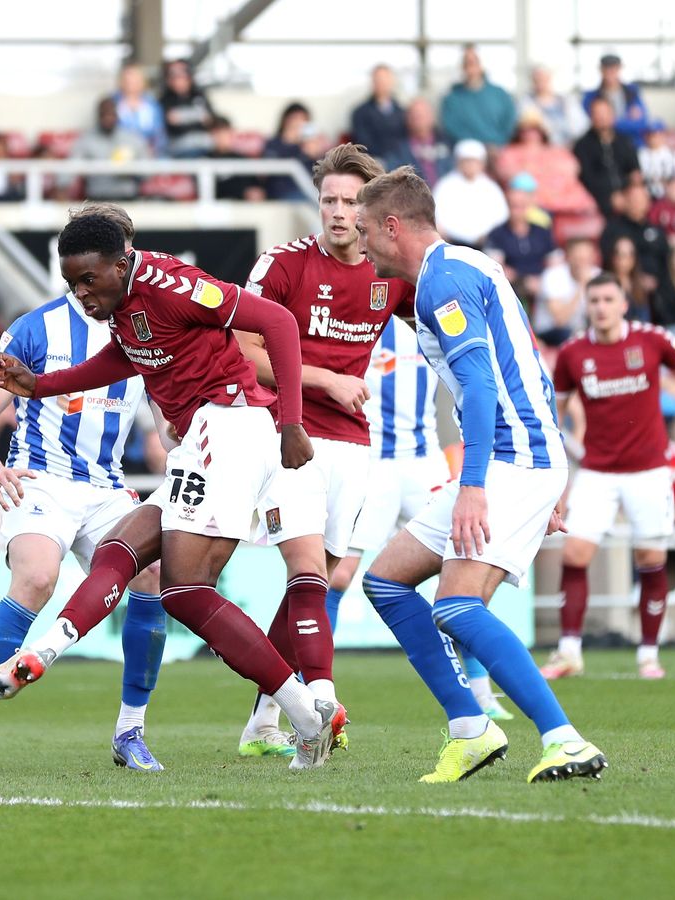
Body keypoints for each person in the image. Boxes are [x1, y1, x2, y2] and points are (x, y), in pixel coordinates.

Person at [0, 213, 342, 770]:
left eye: (89, 281)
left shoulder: (173, 284)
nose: (81, 294)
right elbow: (123, 358)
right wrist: (42, 385)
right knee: (121, 550)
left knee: (186, 590)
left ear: (121, 264)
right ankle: (42, 653)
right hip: (206, 438)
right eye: (71, 283)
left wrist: (292, 419)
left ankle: (303, 710)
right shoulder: (123, 308)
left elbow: (278, 324)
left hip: (231, 425)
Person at [355, 165, 606, 783]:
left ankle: (565, 739)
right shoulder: (469, 264)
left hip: (508, 460)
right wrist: (550, 475)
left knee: (459, 604)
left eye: (365, 231)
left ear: (393, 227)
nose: (361, 245)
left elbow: (479, 383)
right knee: (386, 582)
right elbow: (533, 374)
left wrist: (475, 486)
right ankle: (470, 729)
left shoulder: (442, 283)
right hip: (525, 457)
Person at [0, 202, 170, 777]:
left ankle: (131, 731)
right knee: (38, 577)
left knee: (152, 577)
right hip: (42, 482)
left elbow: (167, 417)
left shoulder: (146, 327)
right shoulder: (36, 328)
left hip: (107, 488)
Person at [233, 144, 411, 757]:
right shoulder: (283, 264)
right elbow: (244, 349)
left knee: (322, 579)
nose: (338, 212)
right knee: (307, 574)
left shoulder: (389, 275)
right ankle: (318, 704)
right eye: (328, 200)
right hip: (289, 435)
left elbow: (440, 323)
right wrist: (322, 381)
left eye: (350, 201)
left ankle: (263, 721)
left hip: (353, 445)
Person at [541, 274, 675, 681]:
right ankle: (569, 652)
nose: (601, 306)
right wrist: (553, 470)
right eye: (595, 299)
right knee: (574, 555)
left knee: (651, 559)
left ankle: (649, 655)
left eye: (608, 299)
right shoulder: (572, 353)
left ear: (624, 303)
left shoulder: (652, 340)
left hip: (649, 471)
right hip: (598, 471)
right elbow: (555, 413)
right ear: (588, 306)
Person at [325, 317, 512, 721]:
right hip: (372, 462)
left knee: (467, 562)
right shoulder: (361, 321)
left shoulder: (428, 322)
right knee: (337, 575)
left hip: (423, 461)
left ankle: (481, 691)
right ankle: (316, 687)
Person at [484, 172, 558, 303]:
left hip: (542, 287)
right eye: (514, 206)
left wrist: (543, 280)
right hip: (511, 290)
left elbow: (556, 262)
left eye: (521, 206)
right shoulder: (497, 234)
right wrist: (523, 280)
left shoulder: (541, 232)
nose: (517, 211)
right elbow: (496, 267)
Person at [62, 96, 150, 202]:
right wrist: (62, 187)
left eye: (111, 114)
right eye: (104, 114)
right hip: (96, 200)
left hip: (127, 198)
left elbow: (147, 171)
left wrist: (128, 169)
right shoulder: (86, 140)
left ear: (117, 114)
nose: (108, 118)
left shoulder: (132, 139)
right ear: (98, 115)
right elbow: (70, 167)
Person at [431, 139, 508, 248]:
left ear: (482, 164)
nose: (470, 165)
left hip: (485, 245)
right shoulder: (445, 185)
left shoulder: (491, 187)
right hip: (451, 244)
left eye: (474, 161)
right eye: (466, 161)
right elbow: (435, 216)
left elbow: (502, 217)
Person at [573, 96, 640, 218]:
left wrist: (630, 192)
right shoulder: (582, 146)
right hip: (600, 199)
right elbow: (587, 179)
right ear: (591, 117)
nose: (602, 117)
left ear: (613, 115)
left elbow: (634, 171)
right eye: (598, 114)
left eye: (605, 113)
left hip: (627, 195)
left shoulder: (625, 141)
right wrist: (610, 195)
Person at [439, 45, 516, 149]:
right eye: (467, 62)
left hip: (497, 150)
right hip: (467, 152)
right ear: (461, 66)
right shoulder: (452, 98)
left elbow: (509, 123)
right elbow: (451, 128)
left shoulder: (500, 94)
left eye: (474, 61)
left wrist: (497, 143)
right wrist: (475, 146)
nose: (471, 66)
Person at [600, 181, 669, 289]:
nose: (637, 203)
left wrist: (658, 281)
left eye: (641, 200)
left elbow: (665, 260)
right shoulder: (613, 229)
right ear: (625, 201)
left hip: (658, 289)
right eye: (633, 200)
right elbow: (608, 261)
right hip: (625, 287)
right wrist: (636, 281)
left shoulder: (656, 229)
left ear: (648, 202)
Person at [533, 236, 598, 346]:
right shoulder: (553, 276)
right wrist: (582, 286)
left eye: (586, 258)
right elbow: (560, 320)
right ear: (568, 257)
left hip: (579, 330)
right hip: (550, 331)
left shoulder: (597, 275)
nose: (582, 263)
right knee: (572, 336)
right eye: (578, 258)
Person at [581, 53, 647, 144]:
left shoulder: (632, 93)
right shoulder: (591, 97)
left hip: (631, 144)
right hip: (602, 145)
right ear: (601, 70)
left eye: (613, 68)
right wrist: (627, 122)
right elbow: (591, 126)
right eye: (606, 68)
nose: (610, 72)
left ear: (619, 69)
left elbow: (641, 124)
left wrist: (609, 122)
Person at [350, 64, 407, 169]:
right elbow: (363, 144)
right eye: (378, 80)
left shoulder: (402, 112)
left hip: (402, 162)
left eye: (385, 79)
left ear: (392, 81)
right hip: (376, 163)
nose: (382, 84)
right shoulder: (360, 113)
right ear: (372, 83)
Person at [262, 102, 322, 201]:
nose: (298, 124)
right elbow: (268, 171)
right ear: (285, 121)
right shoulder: (273, 143)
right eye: (295, 119)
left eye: (303, 120)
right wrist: (288, 143)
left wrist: (316, 155)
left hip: (309, 192)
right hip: (282, 193)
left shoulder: (310, 144)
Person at [519, 65, 588, 147]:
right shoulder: (525, 103)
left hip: (569, 148)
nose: (541, 82)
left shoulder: (567, 101)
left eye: (544, 78)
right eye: (537, 79)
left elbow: (582, 126)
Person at [158, 59, 212, 158]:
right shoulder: (164, 100)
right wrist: (196, 117)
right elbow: (171, 124)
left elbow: (209, 119)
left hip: (204, 148)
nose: (178, 78)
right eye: (173, 74)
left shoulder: (199, 96)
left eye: (183, 73)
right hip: (178, 152)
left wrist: (181, 118)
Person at [205, 115, 266, 201]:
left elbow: (256, 187)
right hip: (217, 208)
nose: (221, 137)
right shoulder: (205, 161)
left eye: (224, 132)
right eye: (216, 133)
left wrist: (254, 193)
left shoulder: (242, 160)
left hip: (242, 208)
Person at [394, 97, 452, 186]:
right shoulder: (398, 150)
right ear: (407, 119)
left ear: (431, 117)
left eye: (422, 116)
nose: (418, 120)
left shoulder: (446, 144)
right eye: (415, 116)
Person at [113, 63, 165, 157]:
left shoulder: (153, 106)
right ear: (121, 82)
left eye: (135, 80)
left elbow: (160, 135)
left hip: (150, 155)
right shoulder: (112, 104)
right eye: (128, 81)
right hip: (120, 154)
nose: (131, 84)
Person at [638, 120, 675, 200]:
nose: (654, 137)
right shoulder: (640, 154)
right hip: (646, 195)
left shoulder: (672, 154)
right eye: (650, 134)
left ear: (663, 135)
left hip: (667, 196)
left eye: (657, 134)